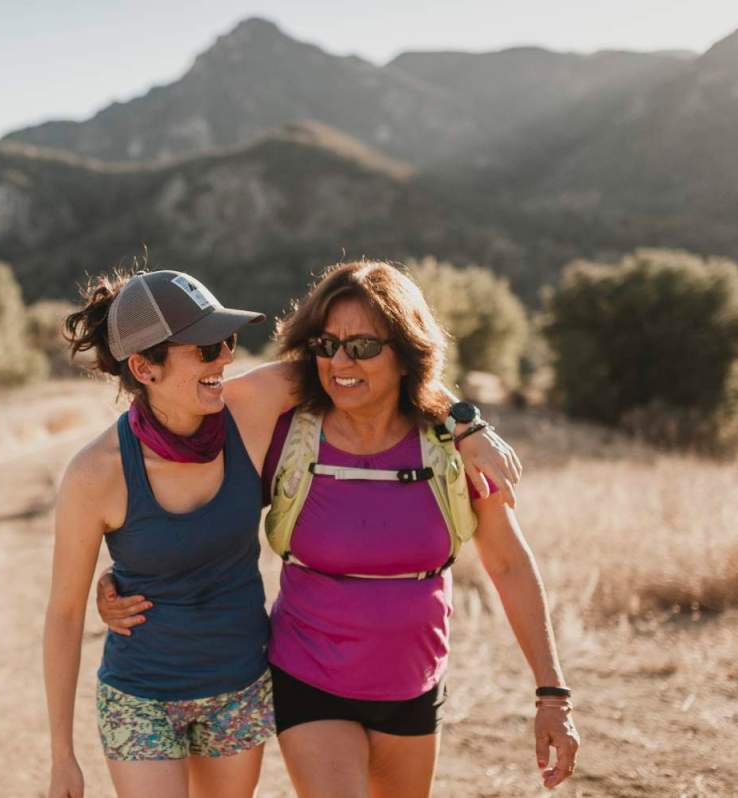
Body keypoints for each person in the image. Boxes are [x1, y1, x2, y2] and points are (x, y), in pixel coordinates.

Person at [97, 261, 579, 796]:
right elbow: (193, 521)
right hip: (307, 680)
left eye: (364, 347)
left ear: (406, 353)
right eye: (326, 345)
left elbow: (509, 565)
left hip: (414, 686)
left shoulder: (450, 448)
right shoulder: (287, 438)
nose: (339, 362)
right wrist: (124, 580)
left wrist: (552, 695)